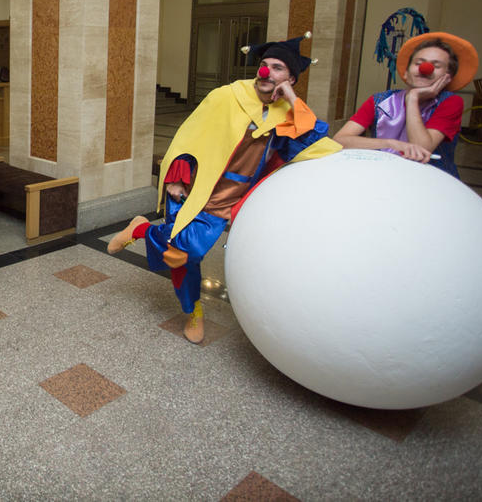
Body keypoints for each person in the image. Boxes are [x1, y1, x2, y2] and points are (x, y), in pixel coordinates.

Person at [106, 34, 341, 343]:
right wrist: (177, 175)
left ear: (291, 78)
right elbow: (189, 134)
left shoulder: (286, 117)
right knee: (183, 253)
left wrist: (293, 100)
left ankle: (141, 230)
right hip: (194, 186)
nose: (266, 72)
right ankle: (193, 310)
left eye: (277, 68)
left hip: (227, 198)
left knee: (184, 251)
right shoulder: (226, 96)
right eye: (264, 64)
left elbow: (319, 145)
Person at [335, 32, 477, 178]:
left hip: (430, 180)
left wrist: (412, 98)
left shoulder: (451, 102)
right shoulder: (380, 101)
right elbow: (339, 141)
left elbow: (421, 148)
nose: (425, 68)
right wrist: (390, 144)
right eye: (418, 63)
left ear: (448, 78)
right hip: (383, 175)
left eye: (436, 65)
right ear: (406, 72)